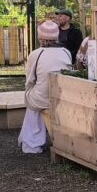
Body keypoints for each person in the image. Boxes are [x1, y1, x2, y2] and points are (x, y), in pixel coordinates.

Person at [19, 20, 73, 153]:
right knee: (37, 94)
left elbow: (30, 80)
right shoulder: (66, 52)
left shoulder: (36, 54)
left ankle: (31, 143)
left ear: (40, 37)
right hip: (63, 97)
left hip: (44, 99)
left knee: (31, 100)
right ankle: (28, 139)